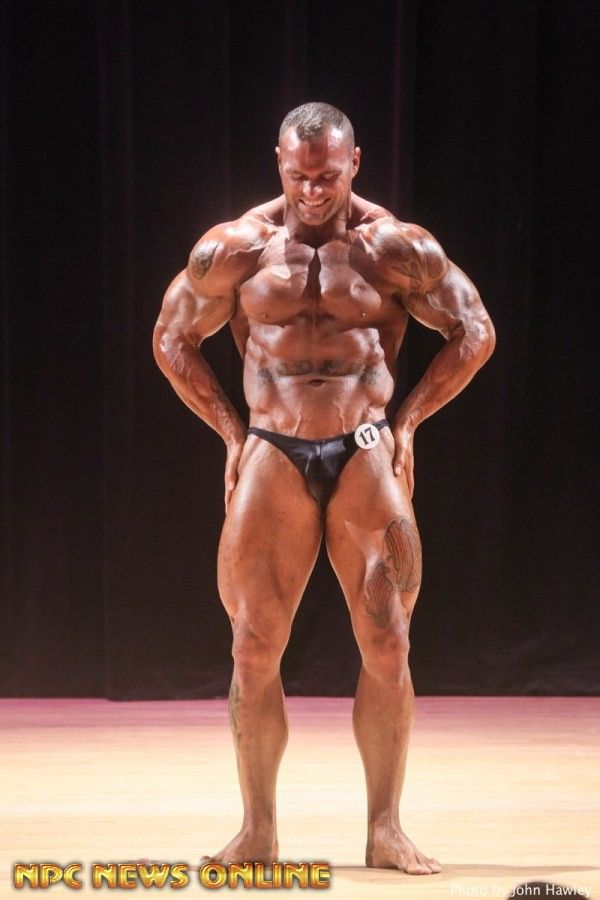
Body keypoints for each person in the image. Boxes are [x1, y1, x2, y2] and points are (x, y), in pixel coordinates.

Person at [153, 101, 495, 875]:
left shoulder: (394, 249)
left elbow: (475, 333)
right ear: (279, 162)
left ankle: (385, 828)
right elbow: (171, 340)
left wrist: (410, 422)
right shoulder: (235, 250)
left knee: (389, 640)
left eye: (329, 177)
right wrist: (231, 433)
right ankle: (258, 831)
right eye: (300, 176)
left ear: (355, 163)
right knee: (251, 647)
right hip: (273, 448)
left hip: (365, 447)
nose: (313, 192)